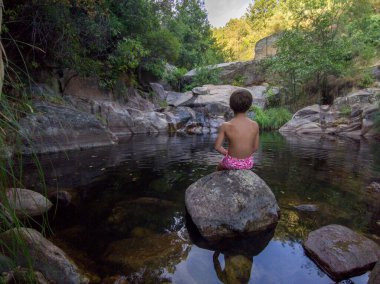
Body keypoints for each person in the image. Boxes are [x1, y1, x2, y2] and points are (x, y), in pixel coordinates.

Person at [214, 89, 259, 170]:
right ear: (249, 106)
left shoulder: (226, 125)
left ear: (231, 106)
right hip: (248, 163)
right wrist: (244, 156)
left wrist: (227, 154)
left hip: (231, 163)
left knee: (219, 166)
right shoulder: (255, 125)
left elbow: (217, 147)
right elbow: (255, 147)